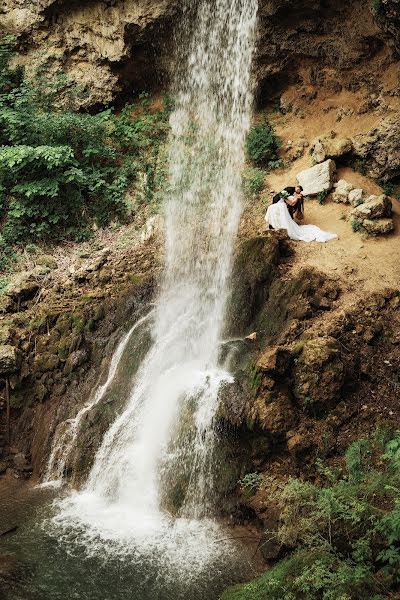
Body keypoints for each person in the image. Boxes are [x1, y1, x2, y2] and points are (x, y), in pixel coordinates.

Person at [266, 188, 337, 243]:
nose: (297, 193)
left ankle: (277, 228)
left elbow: (292, 204)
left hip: (281, 206)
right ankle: (275, 227)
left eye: (299, 193)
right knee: (276, 213)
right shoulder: (292, 195)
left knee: (273, 210)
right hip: (281, 206)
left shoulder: (295, 198)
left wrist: (287, 198)